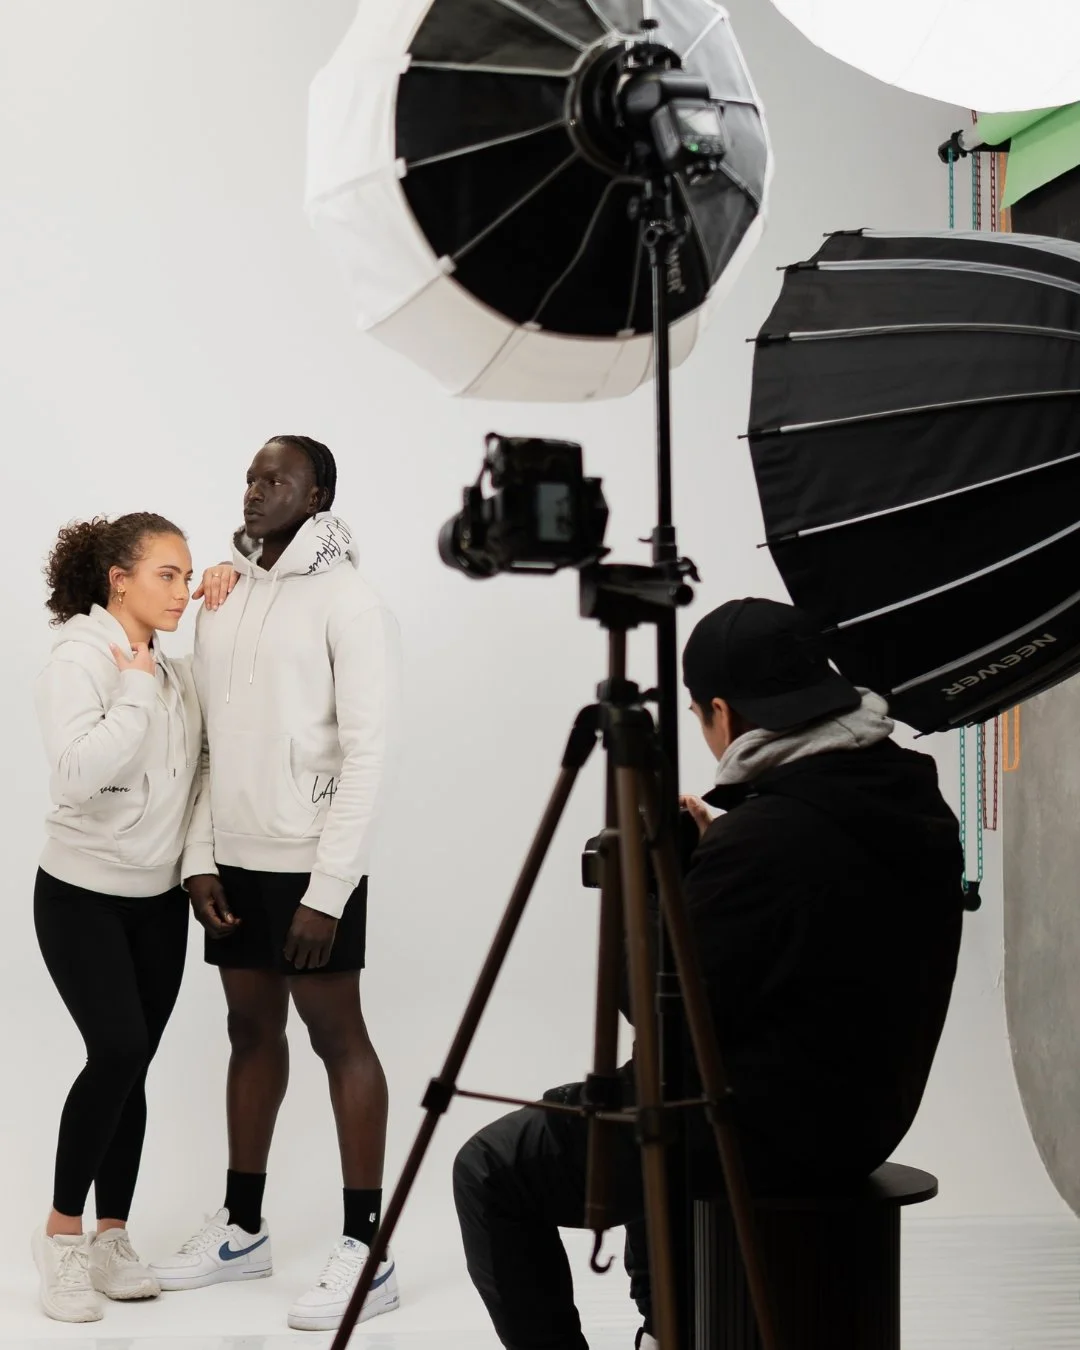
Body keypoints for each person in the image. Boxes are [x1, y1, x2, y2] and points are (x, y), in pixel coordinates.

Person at [452, 597, 966, 1350]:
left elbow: (656, 1008)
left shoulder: (764, 840)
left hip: (755, 1128)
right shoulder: (909, 800)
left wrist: (661, 880)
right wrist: (715, 864)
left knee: (491, 1170)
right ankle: (670, 1328)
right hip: (865, 1112)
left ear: (721, 712)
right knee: (651, 1121)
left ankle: (662, 1326)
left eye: (698, 715)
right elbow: (804, 936)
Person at [150, 435, 401, 1334]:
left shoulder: (351, 600)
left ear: (318, 493)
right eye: (251, 477)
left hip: (311, 862)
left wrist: (328, 890)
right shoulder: (223, 595)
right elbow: (210, 740)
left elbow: (369, 754)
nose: (255, 491)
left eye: (275, 479)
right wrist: (200, 856)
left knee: (339, 1037)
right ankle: (244, 1226)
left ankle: (368, 1248)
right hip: (235, 861)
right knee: (249, 1029)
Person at [32, 514, 203, 1324]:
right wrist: (132, 688)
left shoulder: (172, 671)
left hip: (160, 902)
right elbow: (73, 774)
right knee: (119, 1049)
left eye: (189, 574)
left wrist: (234, 576)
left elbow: (199, 771)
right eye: (167, 574)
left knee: (131, 1067)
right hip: (80, 898)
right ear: (118, 581)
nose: (183, 590)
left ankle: (112, 1235)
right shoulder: (81, 658)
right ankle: (62, 1238)